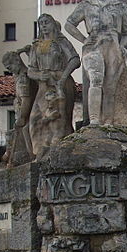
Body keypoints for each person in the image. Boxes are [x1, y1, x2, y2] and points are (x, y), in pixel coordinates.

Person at [65, 0, 127, 127]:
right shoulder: (86, 5)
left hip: (113, 47)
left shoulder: (121, 6)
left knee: (110, 87)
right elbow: (69, 24)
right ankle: (94, 119)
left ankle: (108, 121)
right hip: (93, 47)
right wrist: (83, 39)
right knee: (96, 80)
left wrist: (122, 46)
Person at [27, 14, 79, 160]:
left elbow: (75, 60)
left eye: (46, 22)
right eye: (41, 23)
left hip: (61, 83)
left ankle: (61, 150)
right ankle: (40, 152)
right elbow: (30, 70)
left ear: (53, 24)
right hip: (43, 85)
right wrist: (39, 76)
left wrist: (62, 78)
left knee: (61, 118)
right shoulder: (36, 46)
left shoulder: (61, 41)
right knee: (35, 118)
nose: (43, 25)